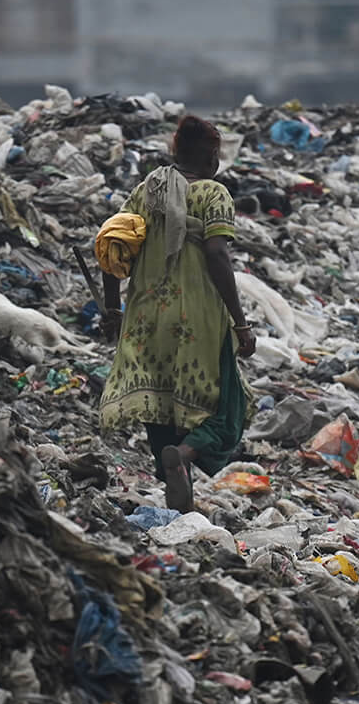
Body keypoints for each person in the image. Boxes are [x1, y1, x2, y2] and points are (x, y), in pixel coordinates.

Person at [99, 115, 256, 512]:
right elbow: (218, 256)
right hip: (196, 319)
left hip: (146, 317)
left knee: (161, 406)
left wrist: (113, 307)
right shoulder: (212, 194)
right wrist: (240, 322)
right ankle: (186, 454)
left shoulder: (147, 191)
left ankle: (178, 509)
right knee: (227, 408)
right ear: (211, 157)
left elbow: (112, 246)